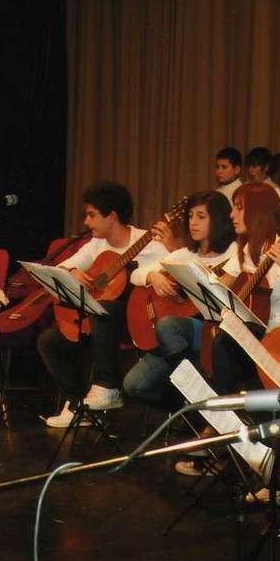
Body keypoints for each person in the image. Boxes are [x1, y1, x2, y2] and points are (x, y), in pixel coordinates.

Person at [38, 181, 167, 427]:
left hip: (135, 323)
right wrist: (73, 271)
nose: (86, 222)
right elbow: (61, 268)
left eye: (92, 215)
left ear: (112, 216)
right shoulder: (97, 245)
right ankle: (78, 405)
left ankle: (107, 386)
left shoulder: (149, 244)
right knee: (49, 340)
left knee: (104, 309)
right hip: (100, 323)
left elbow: (172, 273)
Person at [122, 190, 236, 406]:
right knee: (133, 386)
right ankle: (191, 405)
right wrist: (153, 276)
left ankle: (196, 396)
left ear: (219, 219)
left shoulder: (234, 253)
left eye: (201, 216)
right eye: (190, 216)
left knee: (168, 325)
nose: (193, 222)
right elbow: (135, 275)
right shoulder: (185, 254)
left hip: (212, 333)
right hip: (176, 340)